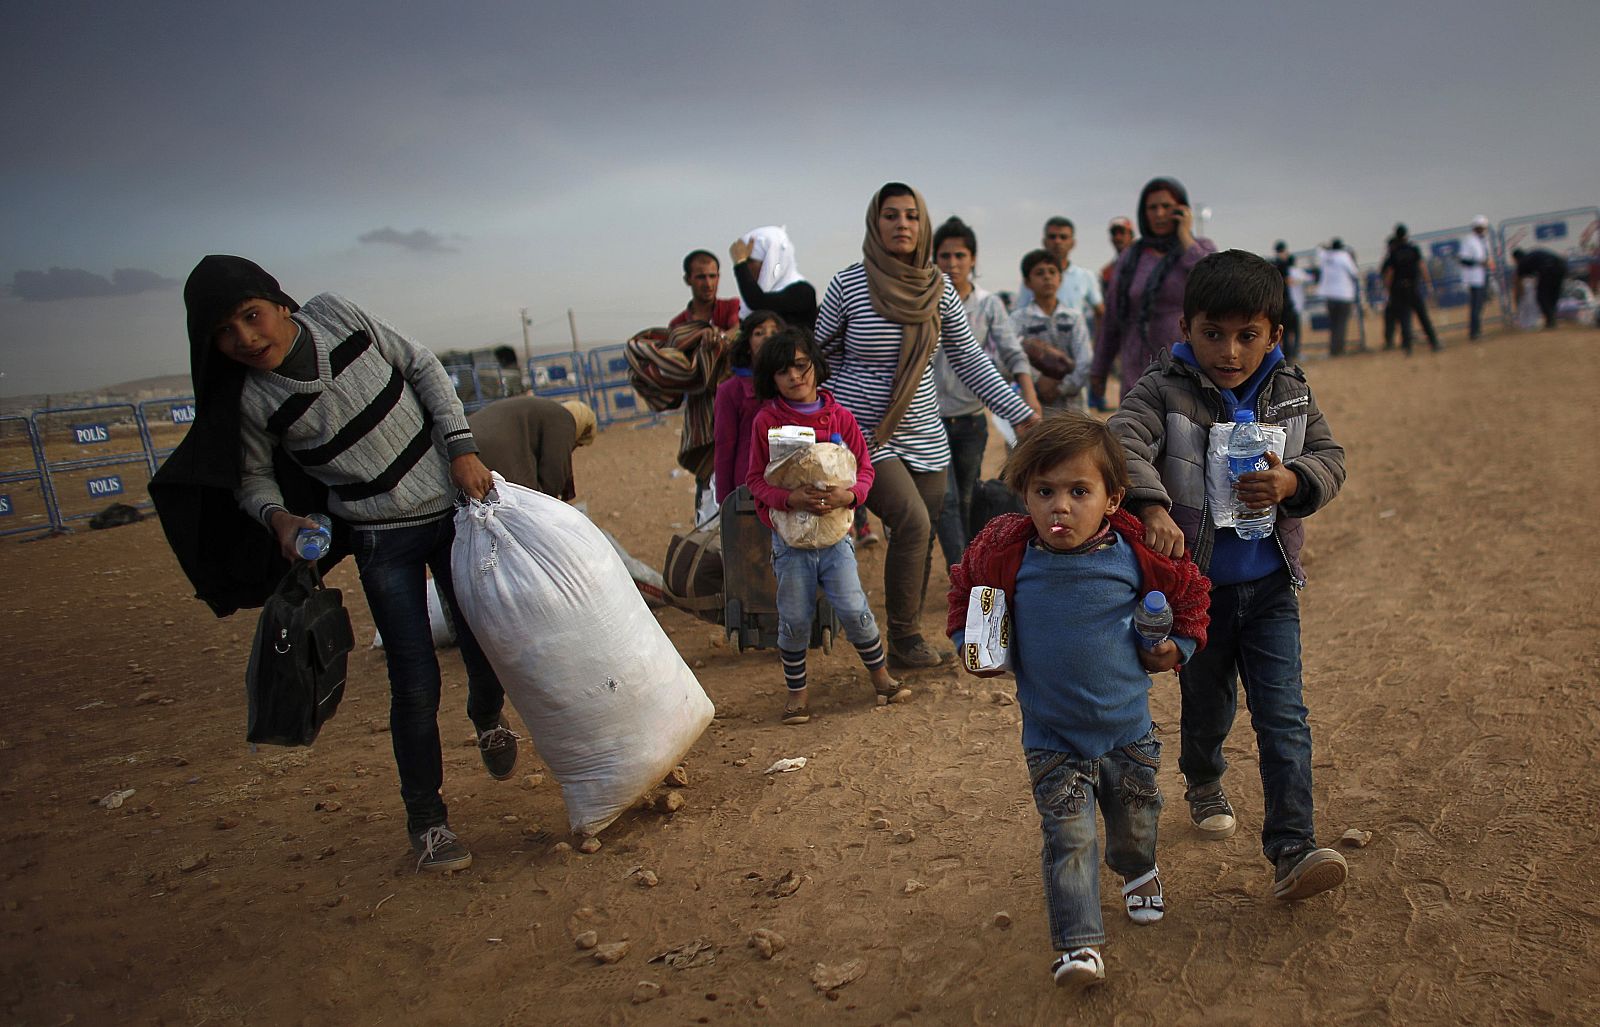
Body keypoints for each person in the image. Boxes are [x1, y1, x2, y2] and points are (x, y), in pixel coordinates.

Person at [165, 255, 516, 874]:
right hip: (382, 542)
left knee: (484, 640)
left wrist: (461, 449)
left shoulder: (337, 314)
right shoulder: (253, 400)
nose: (245, 338)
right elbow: (252, 479)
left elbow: (422, 365)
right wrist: (279, 518)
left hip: (456, 515)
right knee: (414, 684)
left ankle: (487, 716)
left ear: (280, 303)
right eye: (224, 332)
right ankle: (428, 822)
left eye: (251, 316)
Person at [1108, 249, 1349, 903]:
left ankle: (1293, 848)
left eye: (1248, 335)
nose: (1230, 351)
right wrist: (1152, 505)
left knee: (1284, 716)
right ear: (1186, 327)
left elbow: (1330, 456)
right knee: (1209, 705)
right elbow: (1122, 442)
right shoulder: (1163, 387)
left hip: (1270, 588)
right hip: (1200, 594)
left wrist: (1293, 480)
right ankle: (1203, 775)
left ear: (1274, 334)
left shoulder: (1290, 389)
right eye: (1213, 333)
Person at [946, 411, 1211, 992]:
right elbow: (967, 596)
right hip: (1052, 736)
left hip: (1127, 731)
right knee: (1068, 838)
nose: (1059, 507)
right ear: (1024, 494)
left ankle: (1138, 870)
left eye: (1078, 492)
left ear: (1113, 498)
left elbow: (1188, 601)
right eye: (1044, 492)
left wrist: (1176, 647)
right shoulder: (1010, 557)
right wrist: (972, 642)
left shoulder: (1135, 555)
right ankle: (1077, 943)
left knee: (1135, 822)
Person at [814, 182, 1039, 669]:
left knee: (921, 533)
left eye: (911, 216)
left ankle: (903, 635)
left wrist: (1020, 412)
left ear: (923, 225)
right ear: (875, 223)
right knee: (913, 523)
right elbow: (818, 359)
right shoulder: (848, 286)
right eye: (891, 215)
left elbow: (971, 361)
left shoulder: (938, 290)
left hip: (925, 433)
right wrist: (824, 423)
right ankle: (905, 636)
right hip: (863, 434)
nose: (902, 224)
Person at [744, 328, 910, 723]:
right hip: (791, 542)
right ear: (771, 378)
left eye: (801, 366)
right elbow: (755, 480)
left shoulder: (841, 417)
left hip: (837, 537)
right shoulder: (766, 422)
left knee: (854, 608)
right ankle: (797, 695)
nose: (794, 376)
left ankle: (882, 679)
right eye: (783, 371)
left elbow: (865, 470)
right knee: (794, 617)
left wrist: (849, 496)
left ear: (817, 366)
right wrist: (789, 499)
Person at [930, 216, 1040, 569]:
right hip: (929, 419)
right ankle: (960, 571)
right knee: (944, 500)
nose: (952, 263)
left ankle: (970, 566)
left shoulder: (988, 304)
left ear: (973, 259)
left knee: (965, 497)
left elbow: (1011, 352)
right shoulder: (925, 303)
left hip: (971, 419)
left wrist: (1027, 399)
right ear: (934, 259)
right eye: (945, 256)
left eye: (960, 256)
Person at [1090, 178, 1217, 410]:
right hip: (1137, 369)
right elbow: (1111, 320)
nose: (1159, 214)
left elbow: (1213, 281)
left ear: (1182, 210)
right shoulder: (1131, 257)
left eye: (1166, 206)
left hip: (1187, 368)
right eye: (1152, 208)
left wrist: (1185, 237)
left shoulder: (1200, 248)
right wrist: (1099, 369)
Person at [712, 311, 786, 506]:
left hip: (791, 487)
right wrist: (726, 503)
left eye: (774, 332)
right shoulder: (730, 391)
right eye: (759, 333)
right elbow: (724, 447)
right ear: (747, 345)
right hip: (749, 490)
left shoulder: (795, 384)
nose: (768, 337)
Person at [468, 395, 596, 500]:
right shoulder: (564, 419)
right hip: (491, 453)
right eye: (577, 444)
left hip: (465, 443)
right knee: (526, 501)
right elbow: (553, 475)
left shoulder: (544, 411)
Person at [1012, 250, 1094, 413]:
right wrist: (1037, 380)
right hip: (1035, 410)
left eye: (1052, 272)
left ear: (1060, 278)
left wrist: (1061, 388)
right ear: (1027, 282)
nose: (1047, 277)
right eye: (1039, 273)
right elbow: (1006, 358)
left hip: (1074, 409)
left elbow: (1085, 361)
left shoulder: (1074, 318)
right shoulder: (1018, 320)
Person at [1014, 217, 1105, 328]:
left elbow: (1100, 312)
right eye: (1052, 237)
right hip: (1039, 336)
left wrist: (1097, 338)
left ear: (1073, 243)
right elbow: (1019, 314)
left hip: (1073, 336)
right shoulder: (1033, 277)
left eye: (1063, 237)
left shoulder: (1085, 276)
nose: (1057, 241)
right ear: (1044, 242)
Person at [729, 227, 817, 332]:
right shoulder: (750, 302)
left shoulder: (802, 291)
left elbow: (758, 302)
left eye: (750, 261)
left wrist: (740, 264)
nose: (747, 267)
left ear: (770, 261)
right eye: (745, 262)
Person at [1381, 224, 1441, 354]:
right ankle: (1434, 342)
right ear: (1406, 235)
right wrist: (1428, 283)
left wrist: (1387, 289)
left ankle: (1408, 347)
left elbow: (1390, 273)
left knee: (1405, 319)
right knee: (1423, 317)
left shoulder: (1394, 253)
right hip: (1413, 287)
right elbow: (1422, 266)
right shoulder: (1413, 249)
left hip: (1399, 289)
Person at [670, 250, 742, 331]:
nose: (708, 284)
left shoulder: (732, 307)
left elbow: (738, 329)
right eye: (701, 277)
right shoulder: (677, 324)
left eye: (712, 276)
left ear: (718, 277)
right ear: (687, 280)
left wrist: (720, 336)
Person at [1315, 239, 1360, 356]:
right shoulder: (1344, 256)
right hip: (1344, 295)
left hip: (1329, 295)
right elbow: (1354, 272)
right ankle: (1339, 349)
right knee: (1341, 323)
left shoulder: (1325, 256)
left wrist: (1326, 248)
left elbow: (1319, 249)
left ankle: (1333, 348)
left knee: (1333, 323)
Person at [1511, 248, 1569, 329]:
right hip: (1561, 266)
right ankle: (1552, 318)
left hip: (1549, 269)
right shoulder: (1532, 256)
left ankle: (1550, 321)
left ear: (1516, 259)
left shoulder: (1523, 262)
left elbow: (1518, 283)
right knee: (1553, 295)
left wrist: (1519, 299)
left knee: (1541, 297)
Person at [1457, 215, 1495, 340]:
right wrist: (1479, 262)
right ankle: (1475, 332)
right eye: (1480, 228)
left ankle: (1477, 330)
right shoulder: (1469, 241)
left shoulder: (1483, 240)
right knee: (1476, 306)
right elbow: (1463, 259)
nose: (1482, 230)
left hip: (1484, 276)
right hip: (1474, 278)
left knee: (1480, 305)